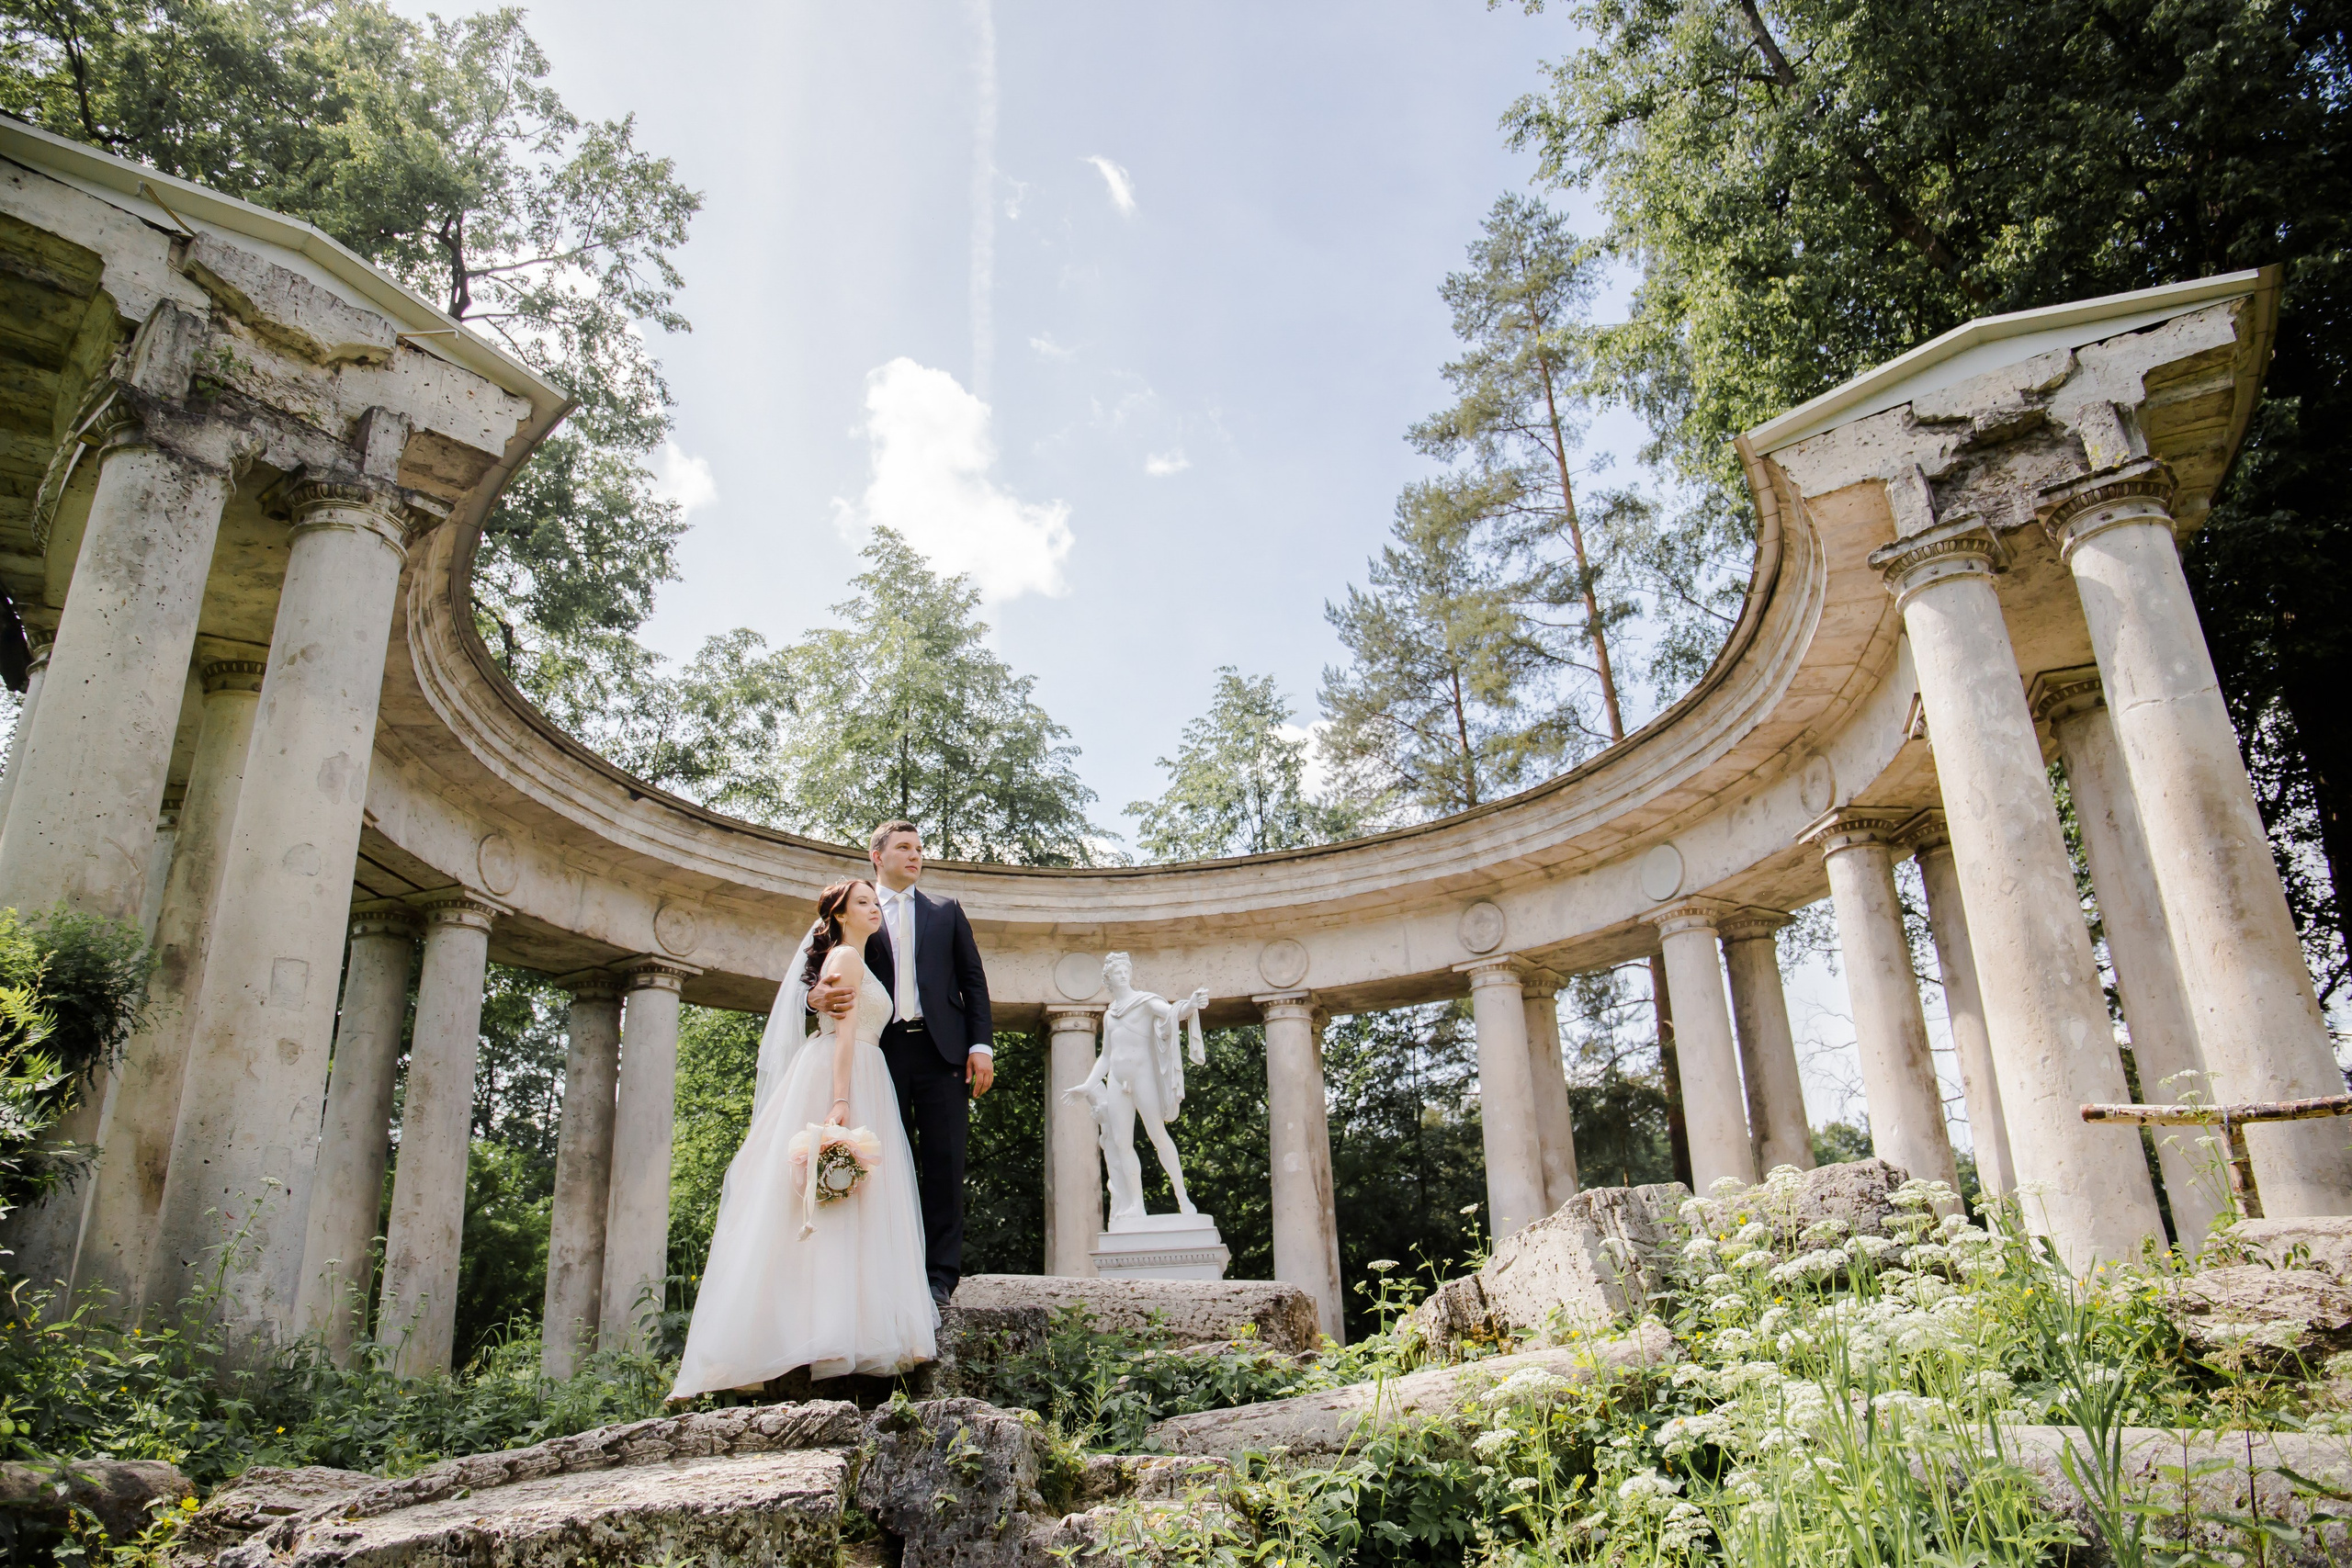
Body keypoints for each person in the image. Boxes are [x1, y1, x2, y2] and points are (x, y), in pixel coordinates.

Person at [669, 879, 935, 1397]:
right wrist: (840, 1100)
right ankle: (822, 1336)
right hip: (846, 1073)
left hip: (863, 1071)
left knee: (852, 1203)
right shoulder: (846, 959)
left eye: (875, 902)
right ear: (838, 913)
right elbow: (840, 1033)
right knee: (830, 1201)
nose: (874, 909)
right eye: (862, 902)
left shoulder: (854, 957)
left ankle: (841, 1331)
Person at [808, 820, 994, 1308]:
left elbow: (973, 982)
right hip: (881, 1052)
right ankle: (890, 1274)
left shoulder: (946, 911)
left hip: (943, 1053)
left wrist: (982, 1046)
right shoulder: (859, 910)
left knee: (945, 1164)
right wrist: (815, 999)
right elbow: (819, 972)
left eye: (919, 849)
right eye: (904, 848)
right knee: (885, 1163)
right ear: (877, 856)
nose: (915, 856)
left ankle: (939, 1279)